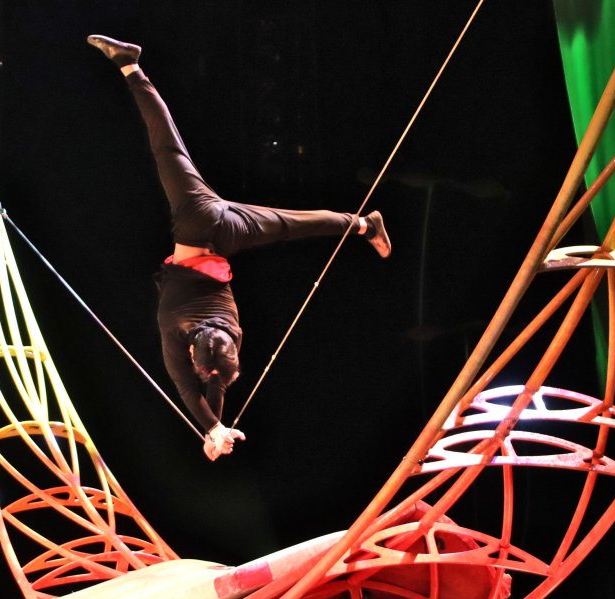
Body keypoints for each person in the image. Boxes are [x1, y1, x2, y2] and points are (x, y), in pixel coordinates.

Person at [87, 35, 392, 462]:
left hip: (228, 233)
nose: (211, 376)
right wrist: (213, 429)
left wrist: (217, 429)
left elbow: (212, 382)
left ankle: (363, 225)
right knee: (166, 147)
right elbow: (191, 387)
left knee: (294, 225)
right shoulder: (180, 331)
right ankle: (130, 67)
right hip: (197, 224)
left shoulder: (229, 337)